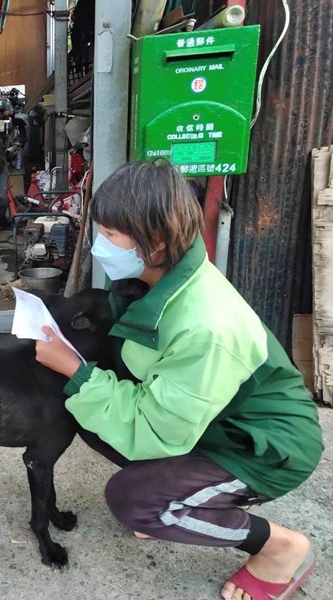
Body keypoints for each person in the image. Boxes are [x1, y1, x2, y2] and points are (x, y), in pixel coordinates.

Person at [34, 161, 323, 600]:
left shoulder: (207, 326)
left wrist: (76, 371)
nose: (98, 245)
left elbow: (153, 431)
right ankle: (178, 496)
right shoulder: (152, 278)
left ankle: (278, 547)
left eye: (110, 235)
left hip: (264, 446)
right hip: (208, 419)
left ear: (158, 241)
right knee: (89, 414)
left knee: (133, 500)